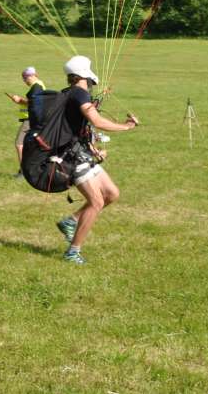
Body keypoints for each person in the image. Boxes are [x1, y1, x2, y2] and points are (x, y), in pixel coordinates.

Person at [53, 55, 139, 265]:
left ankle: (70, 221)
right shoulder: (79, 94)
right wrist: (126, 126)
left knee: (111, 194)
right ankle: (73, 252)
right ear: (84, 74)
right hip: (71, 157)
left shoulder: (72, 93)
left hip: (80, 151)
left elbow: (81, 127)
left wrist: (92, 149)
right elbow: (97, 121)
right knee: (96, 201)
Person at [5, 66, 45, 176]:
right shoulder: (39, 85)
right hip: (34, 118)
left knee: (19, 144)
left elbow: (34, 103)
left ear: (31, 76)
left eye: (25, 78)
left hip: (31, 119)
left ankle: (24, 171)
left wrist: (19, 100)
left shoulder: (36, 86)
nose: (24, 81)